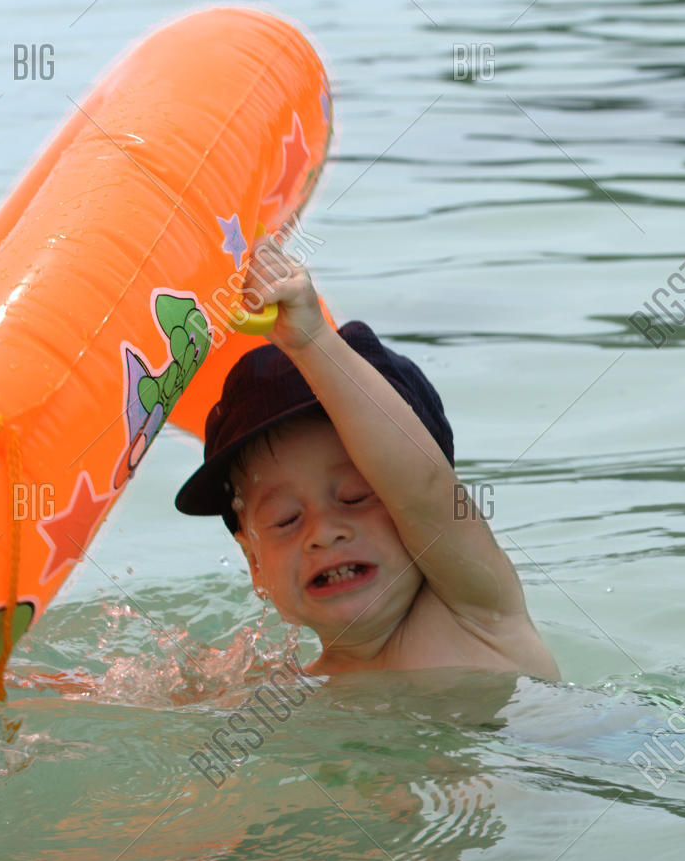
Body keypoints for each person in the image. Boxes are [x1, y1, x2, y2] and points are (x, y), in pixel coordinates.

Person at [175, 235, 559, 680]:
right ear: (255, 565)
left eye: (356, 497)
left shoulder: (476, 612)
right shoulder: (289, 693)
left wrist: (312, 340)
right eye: (285, 520)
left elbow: (423, 487)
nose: (324, 534)